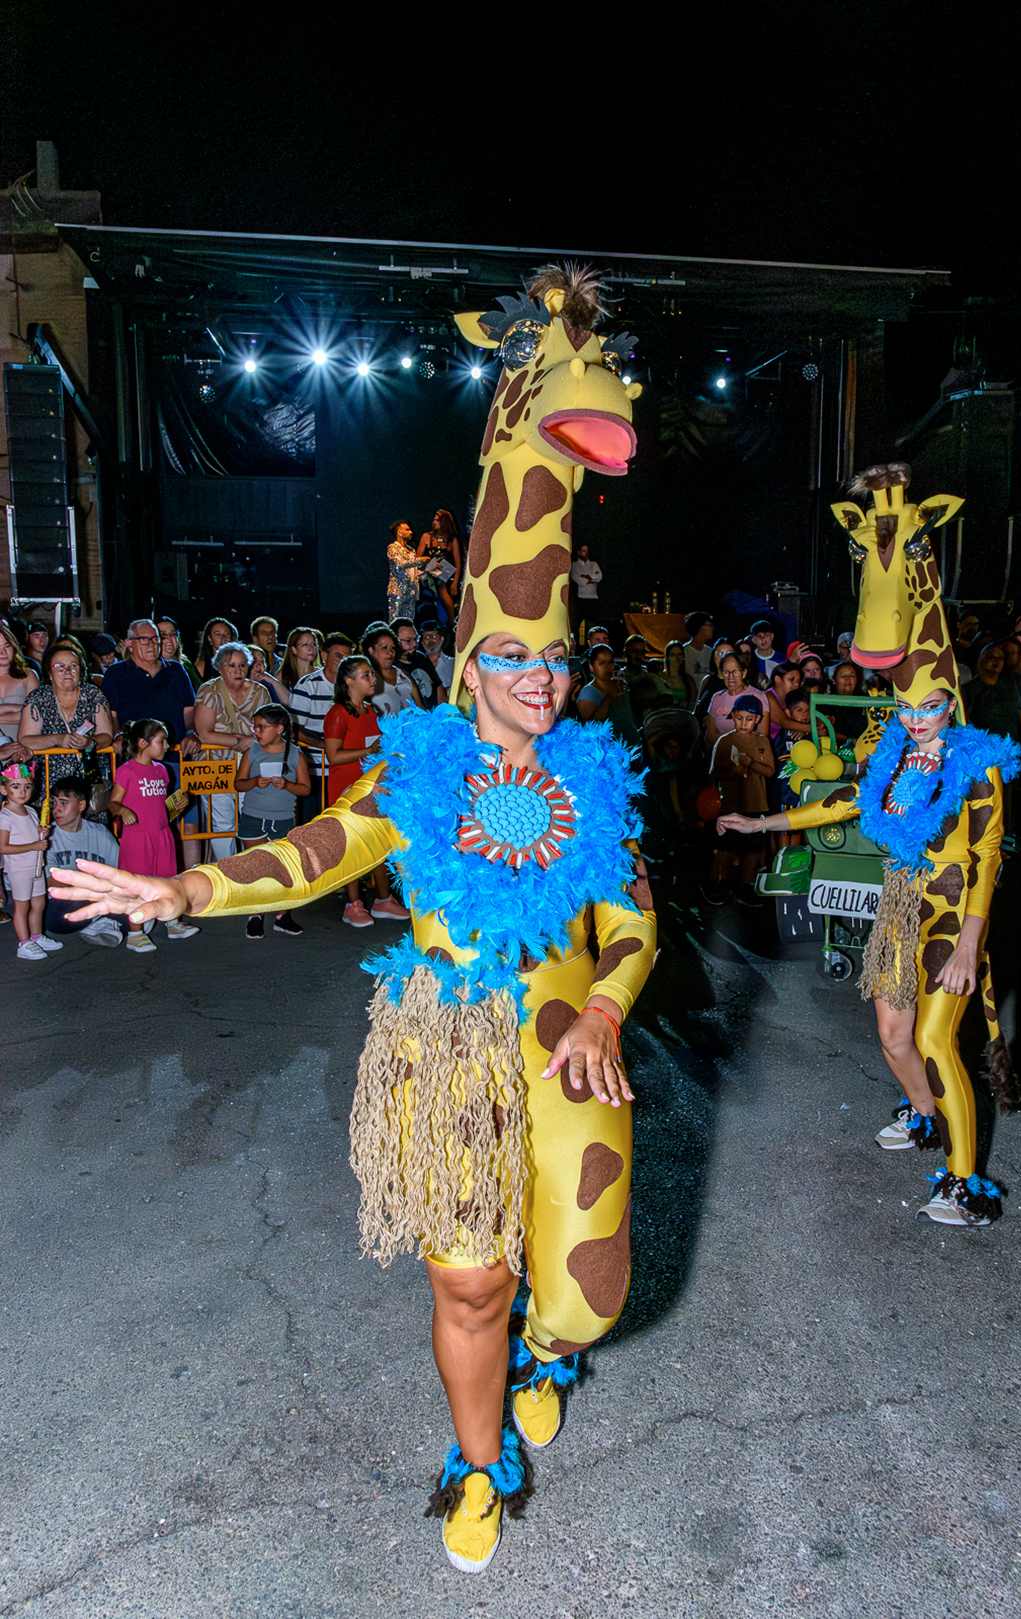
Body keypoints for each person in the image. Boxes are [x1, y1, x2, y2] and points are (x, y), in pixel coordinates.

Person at [52, 257, 655, 1575]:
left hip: (570, 1048)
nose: (538, 677)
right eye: (514, 654)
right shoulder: (417, 768)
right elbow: (313, 854)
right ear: (470, 655)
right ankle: (478, 1454)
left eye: (555, 656)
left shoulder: (599, 780)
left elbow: (634, 922)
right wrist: (189, 884)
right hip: (448, 1042)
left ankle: (551, 1348)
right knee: (465, 1278)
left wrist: (608, 999)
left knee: (587, 1298)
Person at [719, 687, 1021, 1225]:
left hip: (951, 916)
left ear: (949, 705)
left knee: (933, 1040)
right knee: (892, 1035)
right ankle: (925, 1115)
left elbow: (988, 855)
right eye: (906, 708)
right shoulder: (896, 752)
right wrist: (760, 823)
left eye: (929, 706)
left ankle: (965, 1186)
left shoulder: (977, 761)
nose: (916, 718)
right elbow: (844, 800)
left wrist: (970, 948)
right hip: (899, 906)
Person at [323, 656, 407, 927]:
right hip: (346, 787)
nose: (373, 679)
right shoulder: (337, 713)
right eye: (366, 675)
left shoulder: (371, 710)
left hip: (371, 785)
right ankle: (353, 904)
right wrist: (369, 751)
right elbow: (333, 756)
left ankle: (383, 900)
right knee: (351, 844)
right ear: (349, 681)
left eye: (372, 674)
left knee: (377, 839)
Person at [110, 718, 198, 952]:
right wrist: (124, 811)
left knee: (168, 882)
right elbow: (113, 804)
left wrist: (178, 804)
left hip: (162, 835)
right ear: (142, 743)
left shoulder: (162, 770)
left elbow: (161, 805)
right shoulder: (126, 771)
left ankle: (172, 923)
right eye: (162, 741)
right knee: (136, 885)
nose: (167, 745)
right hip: (138, 838)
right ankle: (135, 934)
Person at [234, 704, 310, 938]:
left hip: (283, 818)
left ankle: (282, 915)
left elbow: (306, 789)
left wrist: (287, 785)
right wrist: (255, 781)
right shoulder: (252, 752)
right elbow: (238, 783)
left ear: (279, 728)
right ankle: (254, 916)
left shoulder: (295, 754)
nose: (256, 731)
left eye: (261, 727)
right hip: (253, 816)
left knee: (283, 867)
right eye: (254, 726)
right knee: (254, 866)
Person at [193, 643, 272, 859]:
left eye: (242, 665)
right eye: (231, 665)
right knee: (222, 823)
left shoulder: (260, 693)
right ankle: (227, 874)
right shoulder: (209, 691)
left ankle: (256, 870)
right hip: (214, 763)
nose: (238, 671)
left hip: (250, 764)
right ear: (219, 667)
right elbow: (205, 734)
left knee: (254, 817)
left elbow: (270, 730)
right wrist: (241, 740)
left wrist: (247, 742)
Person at [18, 642, 114, 805]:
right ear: (50, 673)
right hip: (49, 781)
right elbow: (25, 739)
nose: (67, 671)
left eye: (73, 666)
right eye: (59, 667)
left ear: (81, 671)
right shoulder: (38, 697)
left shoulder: (93, 694)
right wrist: (58, 739)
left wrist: (91, 743)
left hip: (88, 779)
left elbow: (107, 734)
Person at [709, 695, 775, 904]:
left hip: (756, 804)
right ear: (733, 717)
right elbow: (713, 773)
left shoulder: (763, 741)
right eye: (739, 718)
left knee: (753, 849)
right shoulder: (725, 741)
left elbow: (770, 771)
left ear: (757, 719)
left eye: (749, 719)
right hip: (731, 803)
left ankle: (746, 886)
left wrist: (752, 763)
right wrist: (734, 771)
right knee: (726, 848)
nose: (744, 723)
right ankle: (717, 884)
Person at [43, 777, 124, 945]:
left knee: (137, 906)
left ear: (81, 805)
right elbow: (51, 882)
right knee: (55, 915)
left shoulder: (100, 833)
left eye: (63, 803)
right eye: (54, 802)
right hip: (68, 902)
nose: (56, 809)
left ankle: (100, 922)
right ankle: (102, 922)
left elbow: (120, 872)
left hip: (100, 897)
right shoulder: (47, 836)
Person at [102, 619, 196, 751]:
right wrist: (119, 734)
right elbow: (111, 715)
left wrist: (191, 733)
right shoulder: (116, 673)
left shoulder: (176, 670)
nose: (151, 644)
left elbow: (189, 710)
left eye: (155, 639)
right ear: (129, 644)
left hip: (172, 752)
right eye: (144, 639)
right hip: (134, 755)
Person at [291, 633, 356, 821]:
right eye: (338, 656)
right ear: (324, 656)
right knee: (314, 826)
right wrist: (326, 746)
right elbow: (294, 731)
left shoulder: (353, 687)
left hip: (345, 770)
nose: (344, 662)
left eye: (348, 657)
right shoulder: (308, 686)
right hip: (317, 772)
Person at [0, 760, 61, 960]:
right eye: (15, 786)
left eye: (27, 786)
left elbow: (33, 835)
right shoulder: (5, 816)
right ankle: (23, 944)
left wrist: (40, 833)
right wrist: (34, 846)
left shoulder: (32, 811)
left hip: (36, 866)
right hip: (19, 869)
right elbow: (3, 847)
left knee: (39, 903)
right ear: (3, 789)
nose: (22, 791)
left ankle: (36, 936)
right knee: (22, 906)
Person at [577, 643, 639, 752]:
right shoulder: (588, 693)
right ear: (591, 667)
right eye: (601, 663)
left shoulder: (621, 686)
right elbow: (591, 726)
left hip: (629, 746)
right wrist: (609, 697)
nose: (607, 667)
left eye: (610, 662)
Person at [703, 653, 767, 752]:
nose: (731, 677)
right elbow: (710, 736)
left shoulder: (758, 697)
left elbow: (762, 737)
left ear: (744, 673)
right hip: (721, 753)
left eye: (735, 672)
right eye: (726, 672)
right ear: (721, 674)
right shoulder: (717, 697)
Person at [362, 624, 422, 721]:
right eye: (384, 647)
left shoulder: (403, 674)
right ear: (371, 650)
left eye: (392, 647)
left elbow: (420, 707)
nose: (390, 651)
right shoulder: (365, 678)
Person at [416, 510, 462, 622]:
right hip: (428, 573)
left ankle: (453, 625)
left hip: (446, 575)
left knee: (443, 586)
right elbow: (417, 559)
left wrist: (455, 584)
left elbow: (458, 563)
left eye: (438, 520)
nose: (434, 522)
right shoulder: (426, 537)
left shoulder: (452, 540)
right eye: (434, 520)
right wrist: (429, 563)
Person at [390, 618, 446, 710]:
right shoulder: (393, 668)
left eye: (416, 639)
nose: (415, 644)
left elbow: (438, 687)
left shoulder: (421, 657)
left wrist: (444, 713)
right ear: (395, 641)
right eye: (409, 641)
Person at [0, 621, 39, 745]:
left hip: (24, 749)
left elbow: (35, 713)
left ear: (14, 647)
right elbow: (26, 713)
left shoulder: (28, 676)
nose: (3, 653)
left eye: (7, 646)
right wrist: (17, 709)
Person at [386, 520, 421, 624]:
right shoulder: (393, 548)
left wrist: (429, 570)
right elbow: (400, 564)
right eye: (407, 529)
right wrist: (420, 560)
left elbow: (413, 571)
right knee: (395, 620)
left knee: (409, 621)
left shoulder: (411, 550)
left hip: (411, 592)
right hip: (398, 590)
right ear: (399, 532)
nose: (410, 532)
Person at [156, 617, 201, 690]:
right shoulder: (151, 671)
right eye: (163, 634)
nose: (169, 639)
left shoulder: (186, 665)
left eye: (173, 634)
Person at [193, 618, 239, 685]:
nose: (223, 638)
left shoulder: (239, 662)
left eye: (227, 634)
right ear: (209, 638)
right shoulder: (201, 666)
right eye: (218, 634)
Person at [278, 627, 324, 692]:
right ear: (294, 649)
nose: (311, 648)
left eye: (314, 644)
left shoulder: (321, 674)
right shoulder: (282, 675)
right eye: (305, 645)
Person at [656, 640, 696, 708]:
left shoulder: (688, 680)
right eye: (673, 654)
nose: (676, 658)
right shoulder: (659, 678)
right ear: (667, 657)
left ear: (683, 657)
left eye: (679, 654)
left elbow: (693, 703)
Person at [681, 612, 716, 689]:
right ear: (699, 627)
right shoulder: (683, 652)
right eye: (709, 625)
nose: (712, 628)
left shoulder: (711, 652)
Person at [419, 620, 455, 690]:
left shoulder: (453, 663)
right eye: (426, 637)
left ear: (442, 639)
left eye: (434, 636)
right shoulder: (417, 664)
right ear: (422, 642)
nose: (430, 639)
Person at [748, 619, 782, 683]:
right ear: (754, 639)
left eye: (766, 635)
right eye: (759, 636)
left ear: (772, 636)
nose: (763, 639)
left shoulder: (783, 659)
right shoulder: (750, 660)